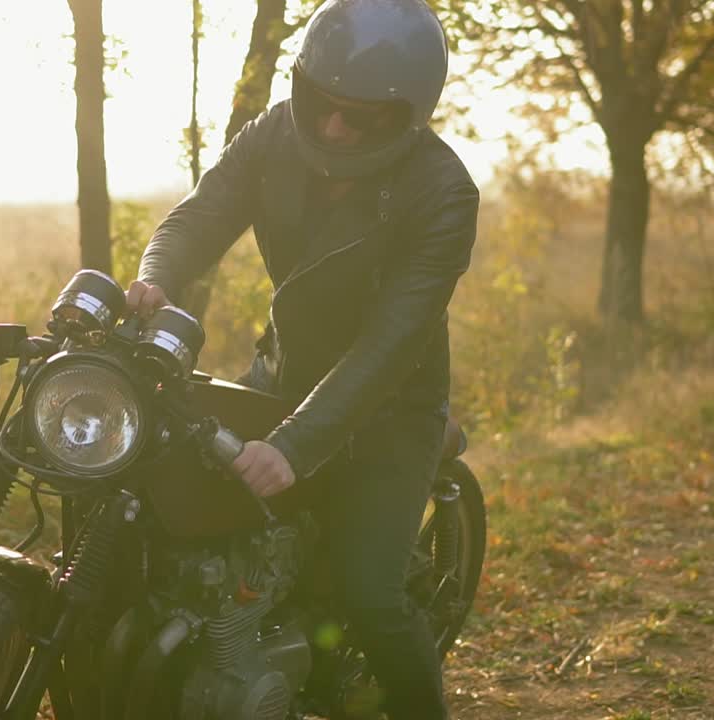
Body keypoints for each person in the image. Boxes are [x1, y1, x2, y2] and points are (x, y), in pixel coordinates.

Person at [126, 0, 476, 717]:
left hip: (391, 407)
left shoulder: (443, 192)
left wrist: (296, 445)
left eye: (361, 115)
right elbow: (199, 215)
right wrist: (158, 276)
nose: (334, 127)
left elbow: (390, 344)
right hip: (280, 375)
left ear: (406, 114)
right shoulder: (273, 136)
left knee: (368, 594)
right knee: (166, 518)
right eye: (321, 104)